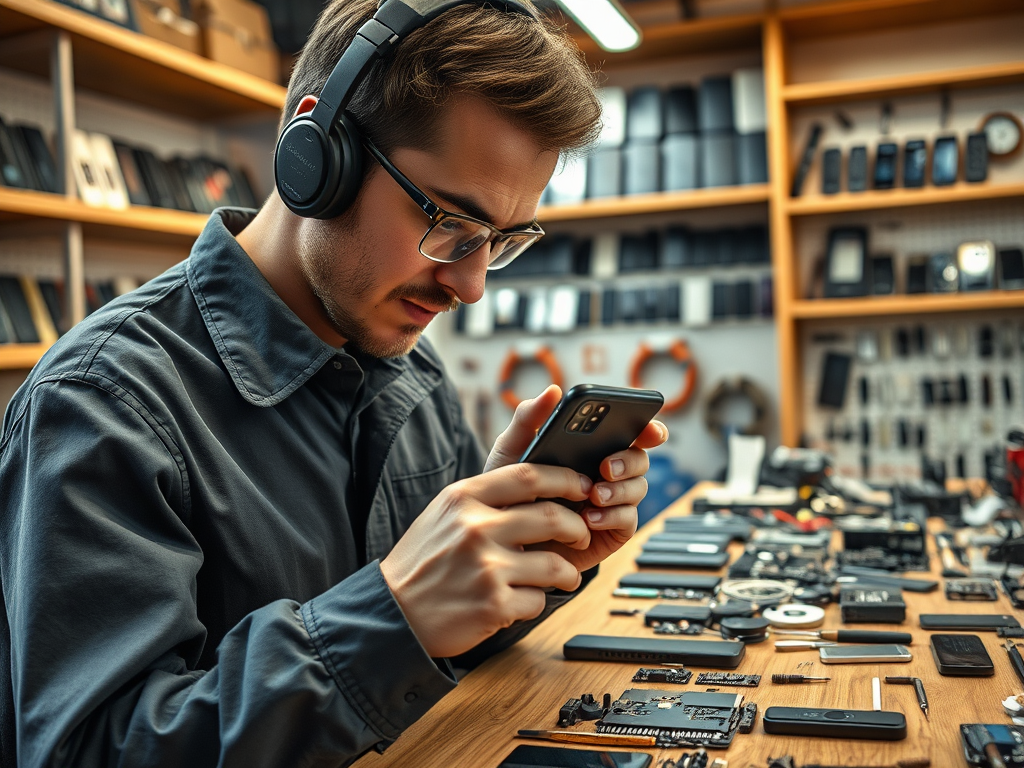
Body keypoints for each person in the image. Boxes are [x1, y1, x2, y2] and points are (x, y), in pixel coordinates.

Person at [0, 1, 667, 765]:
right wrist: (392, 618)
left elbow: (437, 661)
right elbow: (89, 751)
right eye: (450, 221)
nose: (472, 284)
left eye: (501, 242)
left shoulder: (410, 371)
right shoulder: (103, 404)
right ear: (316, 154)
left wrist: (529, 555)